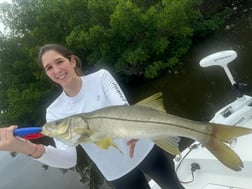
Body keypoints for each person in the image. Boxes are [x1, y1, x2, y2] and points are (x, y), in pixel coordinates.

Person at [0, 44, 185, 189]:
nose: (56, 70)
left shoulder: (100, 77)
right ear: (47, 74)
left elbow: (123, 108)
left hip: (145, 149)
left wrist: (133, 133)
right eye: (49, 68)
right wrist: (26, 148)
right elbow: (68, 159)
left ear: (72, 61)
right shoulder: (54, 112)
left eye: (59, 61)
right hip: (117, 171)